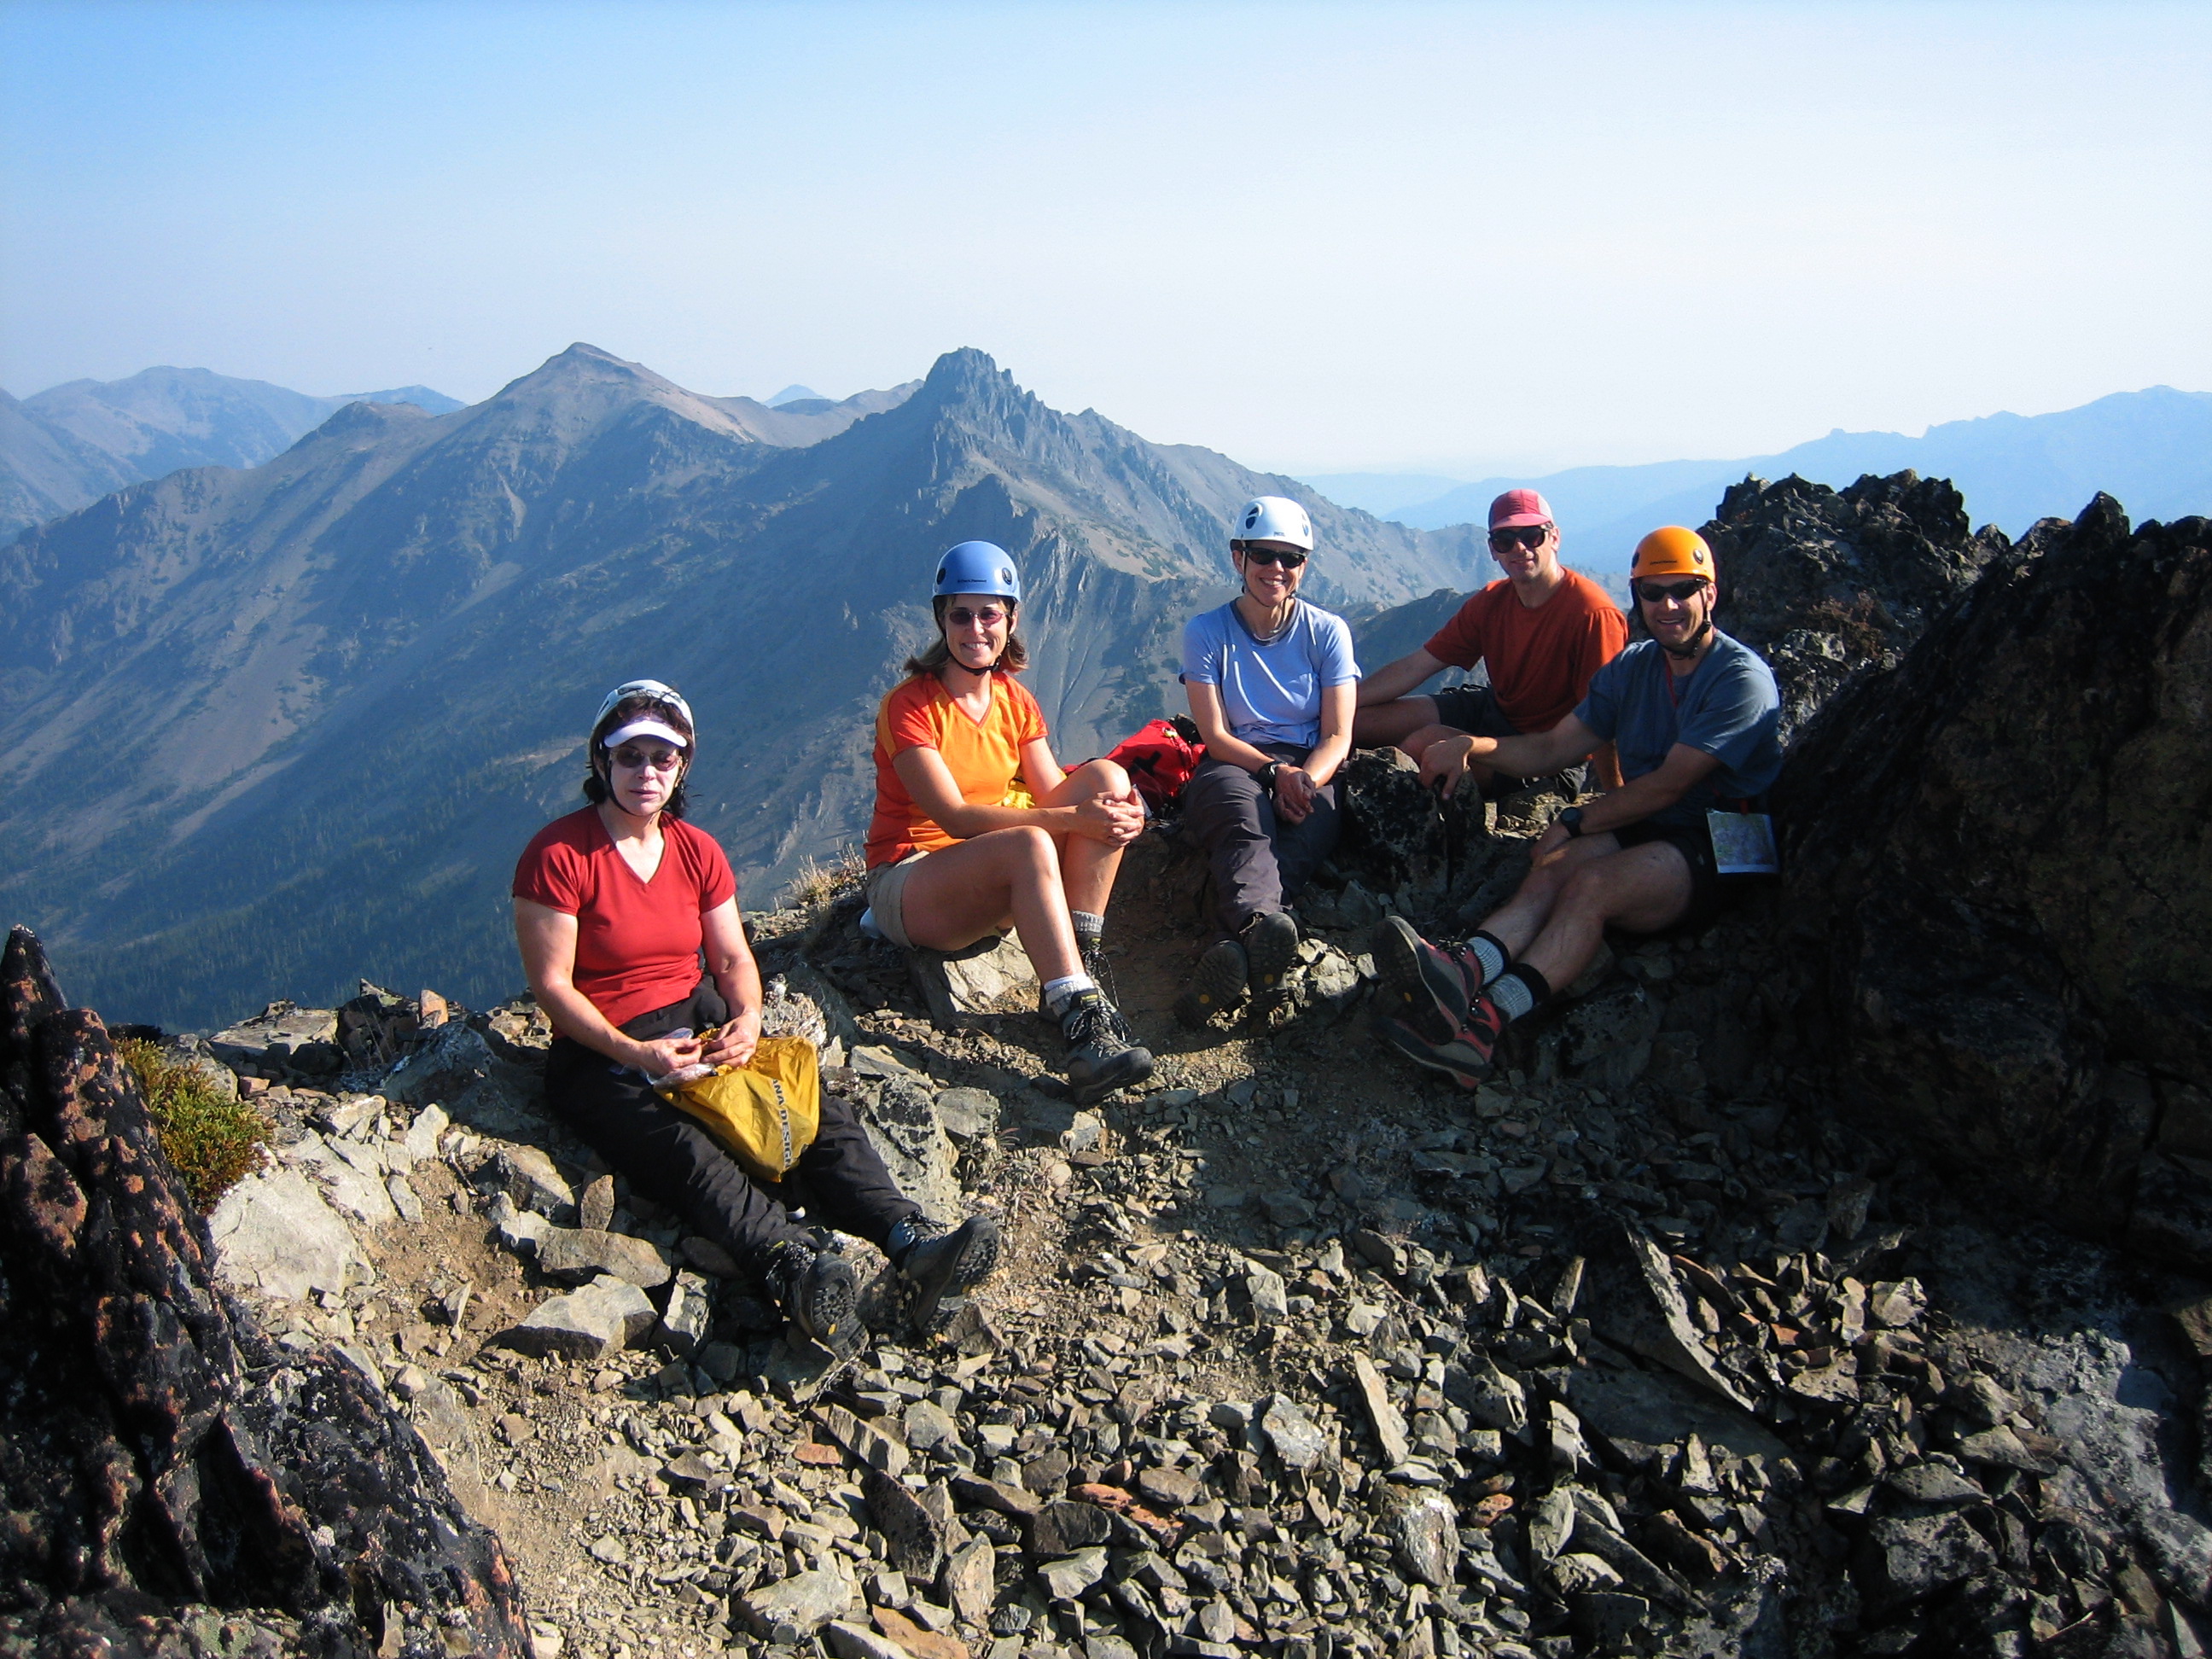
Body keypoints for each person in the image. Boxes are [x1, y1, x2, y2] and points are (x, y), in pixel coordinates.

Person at [514, 680, 1000, 1345]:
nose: (646, 773)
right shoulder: (559, 855)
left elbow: (734, 958)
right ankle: (790, 1266)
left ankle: (908, 1237)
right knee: (687, 1147)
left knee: (803, 1104)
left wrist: (746, 1020)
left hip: (700, 1015)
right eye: (630, 757)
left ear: (683, 765)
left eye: (663, 757)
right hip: (605, 1051)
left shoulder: (696, 851)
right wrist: (635, 1054)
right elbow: (552, 986)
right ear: (602, 763)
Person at [1371, 527, 1783, 1085]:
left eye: (1682, 589)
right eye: (1652, 592)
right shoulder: (1633, 670)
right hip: (1653, 822)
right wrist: (1474, 745)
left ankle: (1486, 1025)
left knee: (1593, 886)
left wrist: (1575, 818)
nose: (1667, 605)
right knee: (1554, 867)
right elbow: (1552, 747)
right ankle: (1462, 974)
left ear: (1709, 593)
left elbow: (1668, 784)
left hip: (1723, 840)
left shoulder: (1740, 681)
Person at [864, 542, 1154, 1104]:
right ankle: (1079, 1022)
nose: (976, 627)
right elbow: (953, 815)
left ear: (1011, 618)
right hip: (908, 880)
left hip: (988, 871)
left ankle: (1078, 968)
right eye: (960, 614)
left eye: (989, 613)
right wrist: (1075, 819)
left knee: (1108, 780)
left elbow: (1053, 792)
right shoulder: (910, 707)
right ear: (941, 620)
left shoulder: (1014, 700)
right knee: (1028, 842)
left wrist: (1118, 811)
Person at [1176, 496, 1361, 1026]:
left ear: (1304, 566)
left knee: (1297, 846)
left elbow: (1337, 733)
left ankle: (1229, 954)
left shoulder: (1327, 632)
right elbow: (1213, 734)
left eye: (1291, 557)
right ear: (1240, 559)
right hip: (1235, 761)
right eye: (1263, 555)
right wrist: (1273, 773)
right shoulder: (1206, 632)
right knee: (1246, 826)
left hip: (1310, 763)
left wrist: (1305, 779)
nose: (1276, 568)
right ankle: (1264, 945)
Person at [1353, 488, 1626, 795]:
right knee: (1354, 722)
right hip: (1495, 709)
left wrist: (1616, 798)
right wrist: (1333, 709)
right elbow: (1417, 665)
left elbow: (1606, 718)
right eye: (1505, 539)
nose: (1519, 548)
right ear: (1493, 549)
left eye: (1532, 535)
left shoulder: (1592, 613)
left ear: (1555, 538)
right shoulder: (1492, 601)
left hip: (1548, 753)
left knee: (1423, 744)